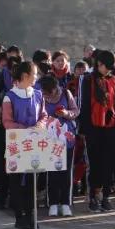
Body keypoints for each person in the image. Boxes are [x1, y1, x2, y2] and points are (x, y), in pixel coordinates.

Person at [2, 61, 47, 229]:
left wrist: (38, 127)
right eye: (35, 74)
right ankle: (19, 215)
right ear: (25, 76)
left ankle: (31, 214)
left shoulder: (38, 94)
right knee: (15, 181)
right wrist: (25, 130)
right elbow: (7, 121)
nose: (37, 77)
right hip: (16, 144)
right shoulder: (10, 96)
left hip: (33, 143)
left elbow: (43, 115)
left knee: (31, 181)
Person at [79, 49, 115, 213]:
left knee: (108, 163)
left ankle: (105, 197)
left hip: (110, 127)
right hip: (93, 127)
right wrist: (83, 128)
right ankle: (93, 197)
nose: (104, 68)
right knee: (95, 163)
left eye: (106, 66)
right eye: (102, 65)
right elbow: (84, 105)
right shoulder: (88, 80)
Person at [40, 74, 77, 217]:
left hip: (67, 138)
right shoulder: (40, 97)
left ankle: (66, 203)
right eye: (46, 92)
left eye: (51, 91)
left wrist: (66, 113)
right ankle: (53, 203)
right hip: (49, 138)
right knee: (52, 171)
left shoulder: (66, 94)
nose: (49, 95)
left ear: (56, 88)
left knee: (66, 172)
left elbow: (76, 111)